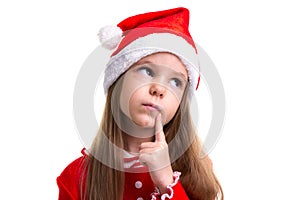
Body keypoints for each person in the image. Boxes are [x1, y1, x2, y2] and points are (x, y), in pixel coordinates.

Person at [57, 7, 224, 200]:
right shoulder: (75, 177)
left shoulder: (197, 171)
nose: (159, 89)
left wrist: (166, 181)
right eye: (147, 71)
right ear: (117, 81)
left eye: (175, 82)